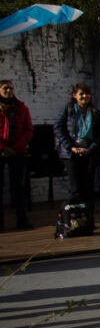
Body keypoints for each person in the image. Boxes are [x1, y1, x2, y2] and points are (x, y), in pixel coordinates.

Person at [55, 82, 100, 225]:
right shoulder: (68, 110)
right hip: (71, 154)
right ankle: (75, 219)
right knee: (75, 188)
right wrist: (71, 147)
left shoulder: (97, 114)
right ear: (75, 96)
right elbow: (58, 129)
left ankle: (88, 219)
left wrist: (90, 149)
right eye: (81, 94)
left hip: (89, 153)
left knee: (88, 188)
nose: (85, 96)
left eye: (87, 94)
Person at [0, 79, 33, 230]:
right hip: (2, 150)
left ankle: (22, 219)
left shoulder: (21, 108)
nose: (9, 91)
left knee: (18, 187)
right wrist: (3, 147)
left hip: (17, 151)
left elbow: (28, 130)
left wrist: (15, 147)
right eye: (5, 88)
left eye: (11, 88)